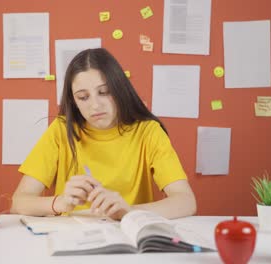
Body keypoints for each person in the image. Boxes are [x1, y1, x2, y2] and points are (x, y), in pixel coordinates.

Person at [11, 48, 196, 220]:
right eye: (83, 97)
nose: (95, 106)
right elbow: (18, 202)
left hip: (128, 236)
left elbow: (186, 201)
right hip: (71, 238)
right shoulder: (61, 129)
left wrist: (129, 211)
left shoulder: (147, 131)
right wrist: (60, 202)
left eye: (104, 92)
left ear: (119, 89)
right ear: (73, 101)